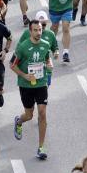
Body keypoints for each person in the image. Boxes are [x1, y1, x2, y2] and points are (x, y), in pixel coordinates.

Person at [11, 20, 53, 160]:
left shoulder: (46, 45)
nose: (38, 33)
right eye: (35, 30)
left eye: (40, 30)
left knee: (42, 113)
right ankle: (19, 121)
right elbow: (12, 65)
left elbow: (47, 59)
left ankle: (41, 147)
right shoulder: (23, 47)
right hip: (26, 85)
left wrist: (49, 64)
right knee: (29, 115)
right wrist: (24, 75)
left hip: (41, 83)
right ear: (30, 31)